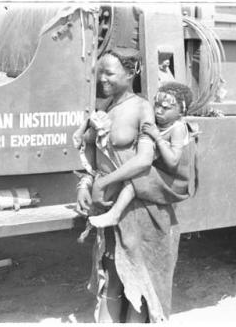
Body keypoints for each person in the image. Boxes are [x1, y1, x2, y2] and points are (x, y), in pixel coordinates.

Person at [76, 48, 183, 323]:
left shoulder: (142, 107)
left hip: (137, 206)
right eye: (100, 73)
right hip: (107, 202)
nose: (103, 79)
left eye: (109, 73)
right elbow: (94, 156)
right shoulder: (104, 108)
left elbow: (144, 160)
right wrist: (85, 186)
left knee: (138, 278)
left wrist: (107, 181)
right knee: (111, 272)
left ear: (130, 73)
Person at [89, 82, 196, 227]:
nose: (158, 111)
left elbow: (172, 162)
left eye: (166, 108)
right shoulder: (157, 123)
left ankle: (114, 215)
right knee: (131, 171)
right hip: (162, 174)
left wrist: (157, 138)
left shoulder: (178, 128)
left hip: (174, 181)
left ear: (181, 112)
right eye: (157, 105)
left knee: (137, 176)